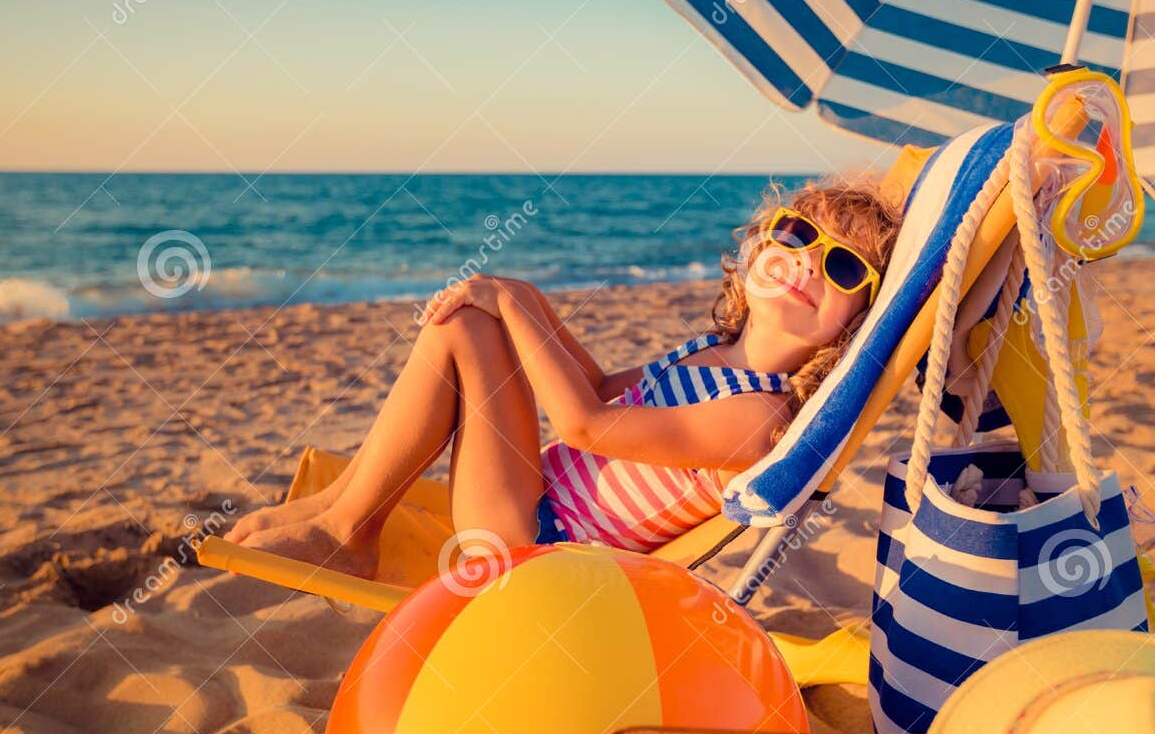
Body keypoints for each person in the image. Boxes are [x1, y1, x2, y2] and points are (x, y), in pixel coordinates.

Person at [224, 178, 901, 577]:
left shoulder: (757, 416)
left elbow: (583, 422)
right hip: (533, 502)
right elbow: (607, 391)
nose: (810, 264)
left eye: (843, 269)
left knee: (467, 326)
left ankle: (347, 531)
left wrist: (512, 304)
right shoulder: (711, 354)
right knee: (479, 316)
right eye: (797, 236)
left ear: (850, 327)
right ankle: (340, 506)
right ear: (761, 245)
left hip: (536, 550)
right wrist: (527, 295)